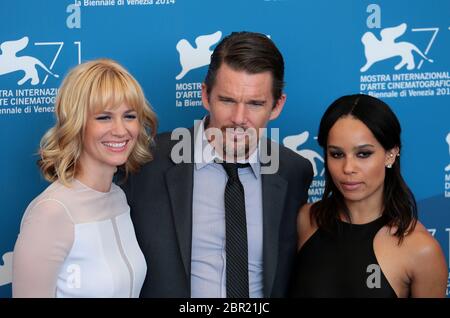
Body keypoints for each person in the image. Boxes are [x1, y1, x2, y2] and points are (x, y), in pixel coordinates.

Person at [121, 31, 313, 298]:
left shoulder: (293, 171)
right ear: (205, 94)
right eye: (227, 100)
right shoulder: (145, 161)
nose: (238, 118)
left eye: (255, 104)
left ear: (277, 106)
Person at [12, 59, 157, 297]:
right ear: (77, 124)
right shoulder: (52, 212)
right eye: (104, 117)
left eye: (129, 116)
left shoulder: (118, 197)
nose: (121, 130)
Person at [289, 94, 448, 298]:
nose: (348, 168)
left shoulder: (421, 249)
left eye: (363, 154)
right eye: (336, 154)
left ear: (390, 154)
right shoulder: (305, 220)